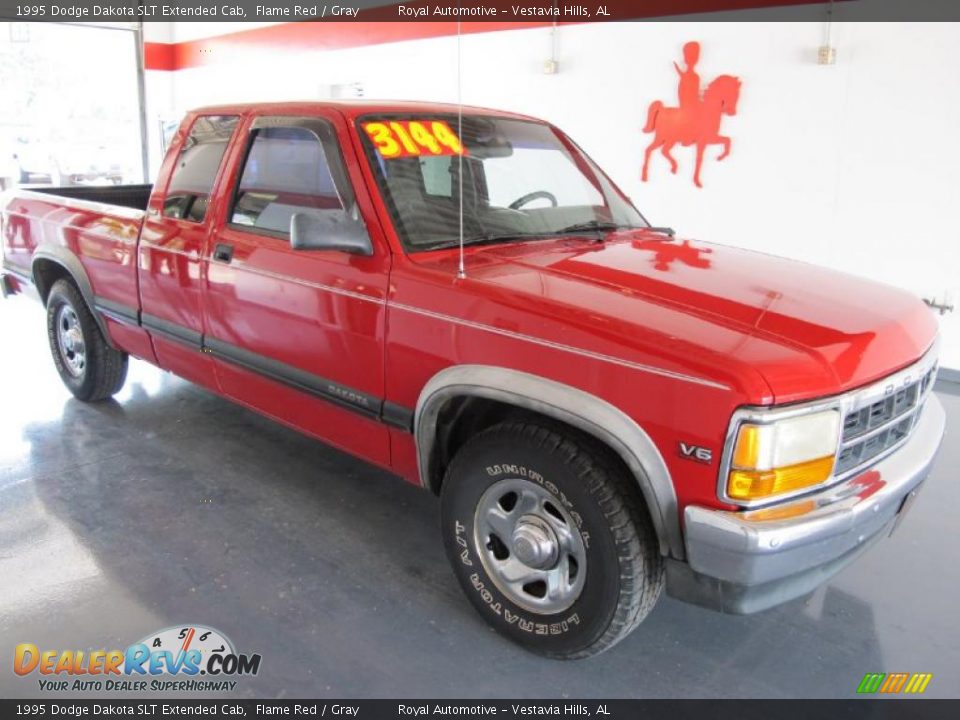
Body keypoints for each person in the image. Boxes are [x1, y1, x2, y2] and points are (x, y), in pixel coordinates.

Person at [673, 41, 702, 117]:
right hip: (687, 104)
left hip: (692, 104)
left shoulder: (695, 77)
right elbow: (681, 91)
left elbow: (695, 91)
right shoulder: (690, 76)